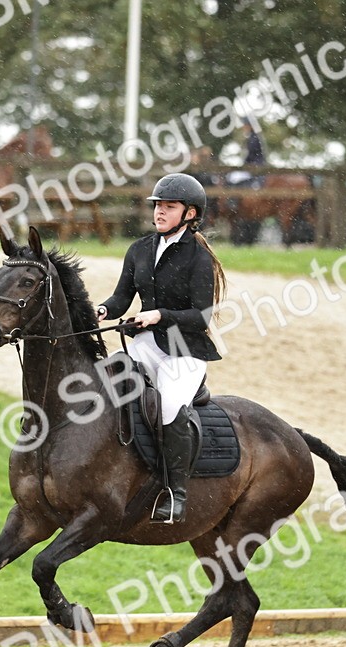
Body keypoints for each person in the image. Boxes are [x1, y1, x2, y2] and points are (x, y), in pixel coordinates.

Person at [96, 173, 226, 524]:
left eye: (169, 207)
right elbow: (123, 296)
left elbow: (200, 316)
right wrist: (104, 310)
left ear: (190, 213)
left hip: (184, 350)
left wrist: (159, 315)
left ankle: (175, 493)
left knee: (169, 406)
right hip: (146, 346)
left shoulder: (198, 257)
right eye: (157, 206)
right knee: (105, 381)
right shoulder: (140, 248)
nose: (159, 213)